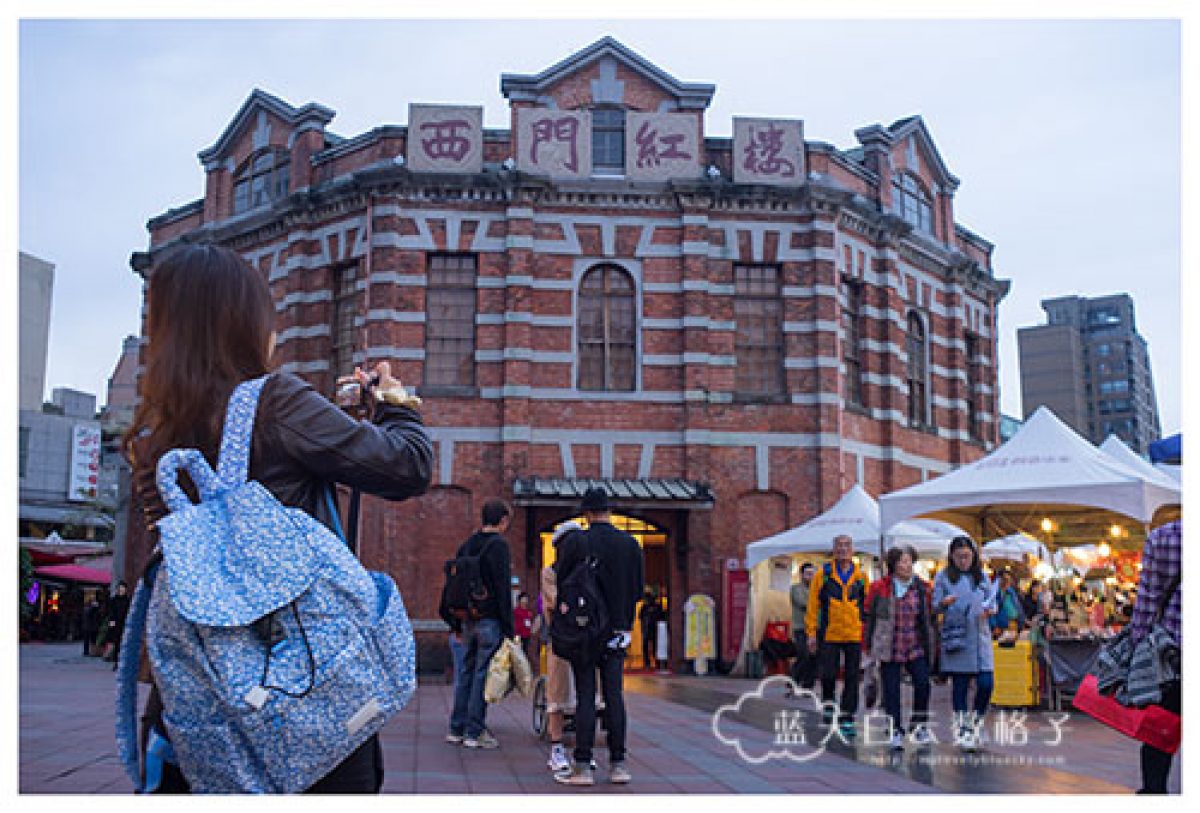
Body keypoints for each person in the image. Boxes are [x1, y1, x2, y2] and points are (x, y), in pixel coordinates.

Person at [124, 243, 433, 793]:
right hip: (305, 688)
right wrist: (393, 402)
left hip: (198, 698)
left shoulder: (150, 437)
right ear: (244, 323)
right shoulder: (274, 401)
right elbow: (407, 467)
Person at [554, 487, 644, 787]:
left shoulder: (578, 542)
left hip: (584, 630)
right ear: (609, 510)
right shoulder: (630, 544)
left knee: (585, 695)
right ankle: (618, 764)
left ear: (587, 513)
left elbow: (563, 582)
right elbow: (637, 591)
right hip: (617, 631)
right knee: (614, 695)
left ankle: (583, 766)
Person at [446, 499, 515, 750]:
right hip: (489, 620)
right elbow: (502, 588)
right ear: (503, 520)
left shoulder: (467, 544)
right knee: (482, 674)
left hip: (466, 618)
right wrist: (509, 627)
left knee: (465, 672)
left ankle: (456, 727)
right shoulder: (499, 546)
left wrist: (455, 622)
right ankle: (474, 731)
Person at [863, 546, 935, 750]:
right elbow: (869, 616)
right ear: (893, 565)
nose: (907, 565)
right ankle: (894, 729)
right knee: (891, 689)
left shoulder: (922, 588)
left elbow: (929, 616)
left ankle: (919, 725)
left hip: (915, 643)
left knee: (923, 683)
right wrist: (867, 644)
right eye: (903, 561)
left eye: (910, 561)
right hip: (890, 644)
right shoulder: (880, 587)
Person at [1129, 520, 1180, 794]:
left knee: (1159, 735)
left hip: (1171, 658)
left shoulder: (1163, 538)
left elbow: (1146, 605)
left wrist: (1137, 649)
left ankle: (1155, 794)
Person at [933, 536, 996, 752]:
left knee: (986, 683)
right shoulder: (943, 577)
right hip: (958, 637)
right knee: (959, 686)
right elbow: (935, 605)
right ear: (952, 556)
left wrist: (990, 609)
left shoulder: (981, 576)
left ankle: (977, 721)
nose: (963, 561)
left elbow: (992, 601)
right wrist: (944, 603)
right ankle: (964, 730)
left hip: (980, 635)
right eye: (959, 557)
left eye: (967, 556)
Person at [804, 534, 869, 737]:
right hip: (829, 633)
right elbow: (813, 606)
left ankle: (847, 717)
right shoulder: (822, 575)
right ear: (833, 550)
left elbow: (867, 606)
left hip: (854, 634)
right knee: (828, 674)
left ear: (852, 550)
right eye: (839, 545)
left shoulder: (861, 577)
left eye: (847, 545)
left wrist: (867, 634)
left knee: (852, 676)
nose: (843, 549)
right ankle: (829, 703)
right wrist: (811, 633)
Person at [540, 520, 584, 774]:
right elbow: (554, 604)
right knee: (559, 695)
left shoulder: (586, 571)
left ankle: (578, 749)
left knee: (581, 695)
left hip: (580, 640)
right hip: (563, 639)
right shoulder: (551, 573)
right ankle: (558, 748)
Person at [788, 563, 817, 691]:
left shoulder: (818, 589)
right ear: (802, 575)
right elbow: (803, 603)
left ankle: (808, 685)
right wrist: (816, 603)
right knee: (803, 654)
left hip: (815, 627)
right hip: (800, 627)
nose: (810, 577)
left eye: (812, 574)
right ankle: (793, 680)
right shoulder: (795, 589)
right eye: (808, 574)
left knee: (813, 656)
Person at [990, 570, 1026, 635]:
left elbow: (1018, 607)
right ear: (999, 579)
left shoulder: (1011, 591)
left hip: (1014, 623)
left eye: (1009, 579)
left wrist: (1022, 621)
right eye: (1005, 579)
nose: (1008, 581)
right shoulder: (994, 592)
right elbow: (991, 611)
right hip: (1001, 626)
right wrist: (994, 626)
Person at [637, 590, 665, 671]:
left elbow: (640, 617)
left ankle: (653, 662)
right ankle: (649, 663)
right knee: (649, 646)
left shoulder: (653, 606)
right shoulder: (646, 607)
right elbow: (640, 616)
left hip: (652, 628)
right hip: (649, 628)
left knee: (653, 646)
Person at [105, 582, 131, 669]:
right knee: (116, 643)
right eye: (120, 588)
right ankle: (116, 661)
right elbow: (111, 613)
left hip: (124, 624)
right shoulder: (114, 600)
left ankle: (122, 662)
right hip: (115, 625)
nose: (121, 589)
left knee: (123, 644)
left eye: (123, 588)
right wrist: (111, 623)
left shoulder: (127, 600)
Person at [514, 592, 537, 672]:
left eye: (526, 599)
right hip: (518, 636)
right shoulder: (516, 611)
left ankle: (525, 670)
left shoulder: (528, 612)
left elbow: (529, 623)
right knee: (518, 653)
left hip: (527, 635)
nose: (525, 601)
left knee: (525, 652)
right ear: (519, 600)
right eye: (523, 599)